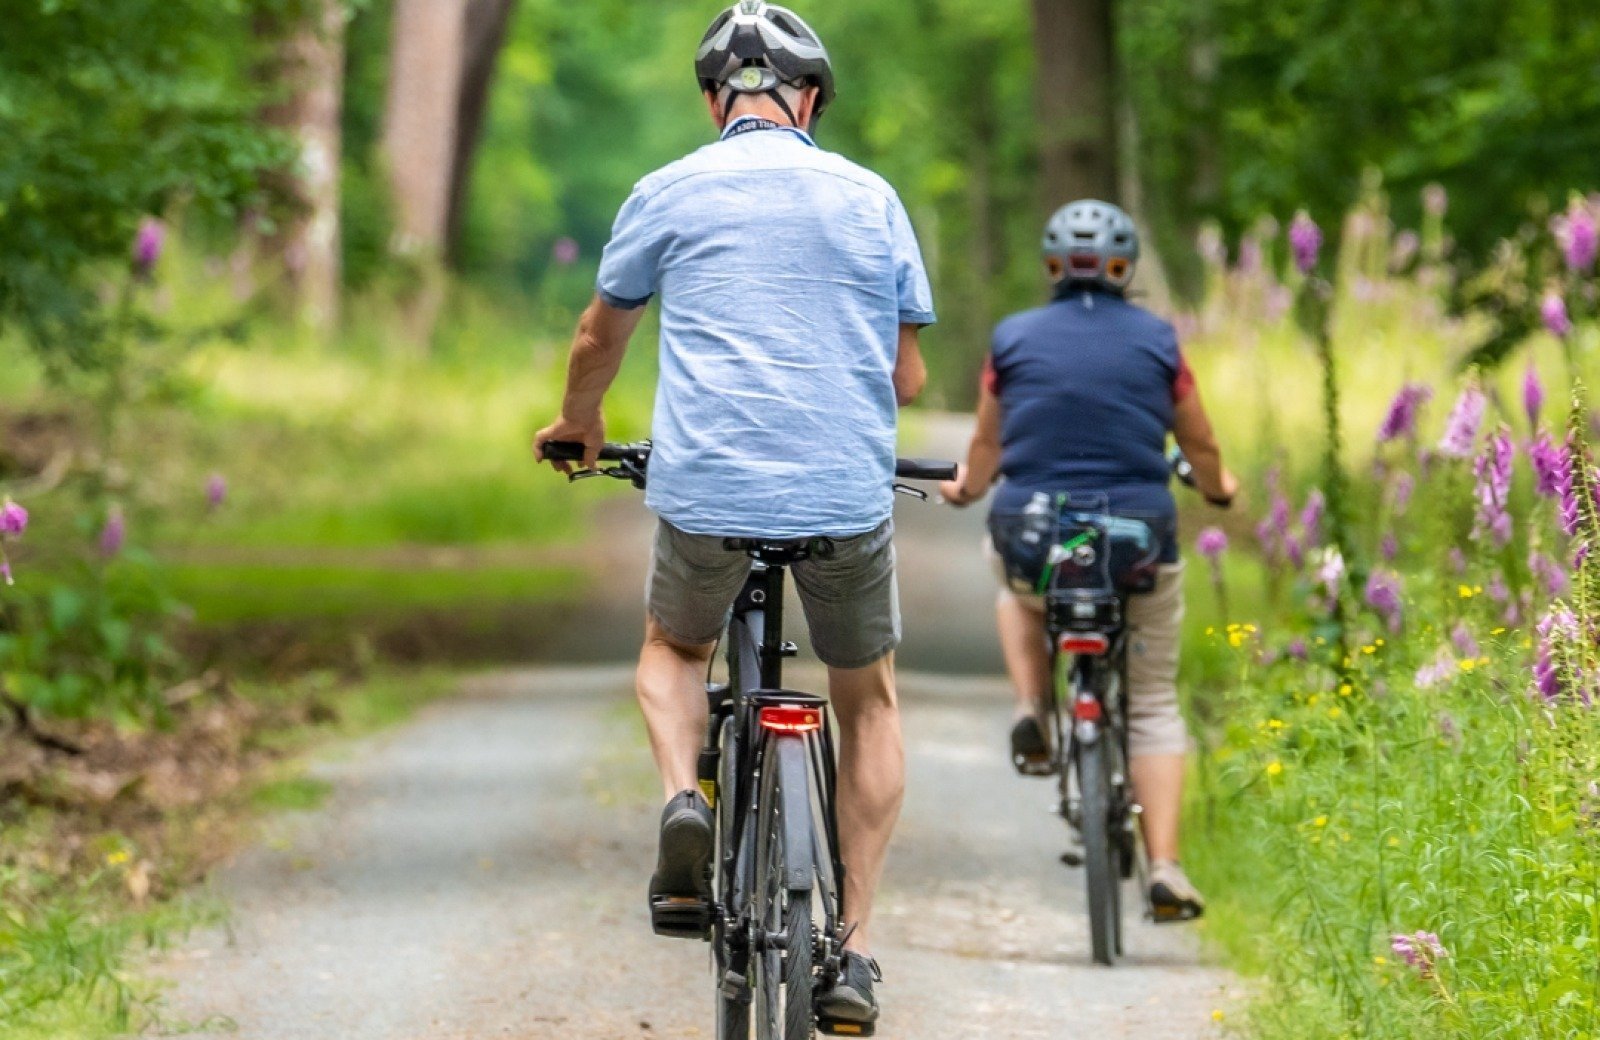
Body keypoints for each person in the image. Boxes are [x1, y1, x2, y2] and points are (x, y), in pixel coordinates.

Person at [533, 1, 934, 1027]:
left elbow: (598, 337)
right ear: (811, 99)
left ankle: (684, 798)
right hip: (843, 497)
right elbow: (907, 376)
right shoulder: (872, 198)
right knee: (868, 698)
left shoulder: (666, 190)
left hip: (707, 489)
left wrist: (580, 423)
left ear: (716, 102)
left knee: (674, 647)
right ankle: (854, 949)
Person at [940, 200, 1237, 921]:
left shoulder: (1012, 338)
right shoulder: (1160, 341)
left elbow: (987, 445)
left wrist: (968, 488)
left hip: (1034, 535)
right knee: (1154, 702)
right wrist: (1220, 488)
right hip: (1137, 540)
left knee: (1015, 586)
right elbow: (1198, 442)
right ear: (1124, 267)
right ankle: (1164, 867)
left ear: (1052, 266)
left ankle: (1032, 707)